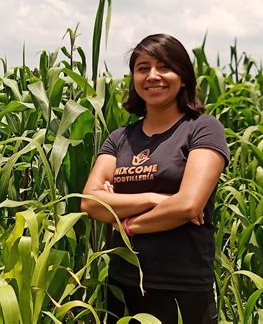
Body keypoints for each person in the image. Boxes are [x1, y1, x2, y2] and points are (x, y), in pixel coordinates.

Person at [81, 33, 229, 323]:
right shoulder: (121, 138)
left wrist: (124, 224)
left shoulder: (202, 129)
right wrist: (154, 199)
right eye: (142, 68)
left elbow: (188, 206)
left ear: (183, 77)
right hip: (123, 284)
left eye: (164, 66)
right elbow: (89, 202)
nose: (153, 76)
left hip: (181, 288)